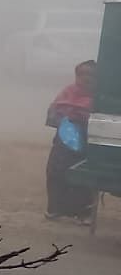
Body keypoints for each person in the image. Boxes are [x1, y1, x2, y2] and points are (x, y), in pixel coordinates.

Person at [44, 60, 97, 222]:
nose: (85, 78)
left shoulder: (100, 96)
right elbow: (53, 113)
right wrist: (65, 119)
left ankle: (83, 213)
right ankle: (55, 209)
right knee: (56, 173)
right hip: (63, 142)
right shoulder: (68, 92)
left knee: (83, 175)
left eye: (90, 75)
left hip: (88, 143)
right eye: (81, 74)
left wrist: (81, 119)